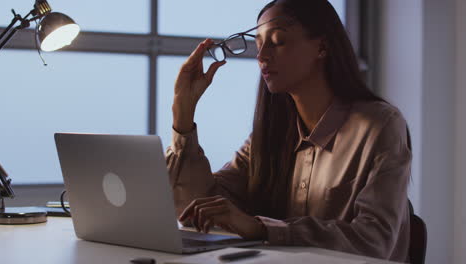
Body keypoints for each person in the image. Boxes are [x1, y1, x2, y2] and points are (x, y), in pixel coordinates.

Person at [166, 0, 411, 262]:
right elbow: (197, 209)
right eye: (259, 45)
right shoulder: (268, 137)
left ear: (322, 46)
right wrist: (183, 112)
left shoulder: (380, 126)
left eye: (278, 41)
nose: (262, 56)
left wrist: (261, 228)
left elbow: (374, 242)